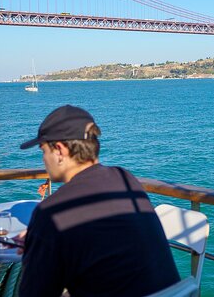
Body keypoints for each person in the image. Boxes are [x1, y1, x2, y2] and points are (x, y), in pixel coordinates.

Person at [17, 105, 180, 296]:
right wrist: (41, 239)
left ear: (59, 150)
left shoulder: (50, 213)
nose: (43, 159)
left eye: (43, 150)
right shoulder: (126, 179)